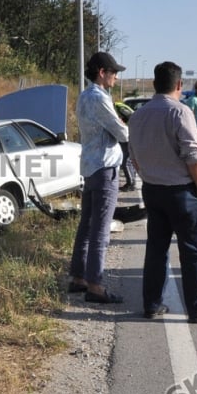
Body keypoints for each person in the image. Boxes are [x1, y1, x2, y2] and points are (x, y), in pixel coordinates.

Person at [128, 61, 197, 324]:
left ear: (154, 85)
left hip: (153, 190)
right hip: (181, 192)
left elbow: (134, 154)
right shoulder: (180, 112)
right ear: (179, 85)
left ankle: (152, 304)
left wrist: (147, 178)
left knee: (156, 249)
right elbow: (193, 155)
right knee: (194, 250)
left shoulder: (138, 115)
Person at [68, 51, 129, 303]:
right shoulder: (98, 97)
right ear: (102, 73)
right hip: (104, 168)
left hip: (90, 166)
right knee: (101, 230)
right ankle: (95, 285)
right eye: (113, 72)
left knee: (87, 226)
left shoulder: (84, 96)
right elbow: (122, 132)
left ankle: (79, 277)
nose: (116, 77)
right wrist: (127, 126)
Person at [114, 101, 137, 190]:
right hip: (128, 135)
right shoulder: (118, 107)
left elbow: (132, 118)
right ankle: (132, 182)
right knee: (129, 161)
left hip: (128, 135)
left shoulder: (119, 107)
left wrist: (121, 122)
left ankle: (130, 184)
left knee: (126, 162)